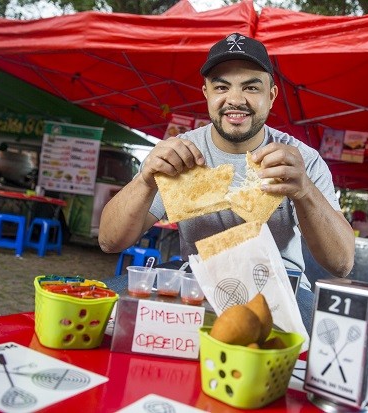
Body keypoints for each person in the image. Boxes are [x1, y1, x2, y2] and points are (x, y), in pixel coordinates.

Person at [98, 33, 355, 332]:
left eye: (251, 87)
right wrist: (145, 180)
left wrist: (305, 191)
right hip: (195, 277)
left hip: (281, 280)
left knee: (315, 343)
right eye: (221, 86)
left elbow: (341, 264)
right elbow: (109, 241)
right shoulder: (177, 154)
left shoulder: (301, 161)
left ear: (271, 95)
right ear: (206, 93)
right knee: (103, 306)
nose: (235, 99)